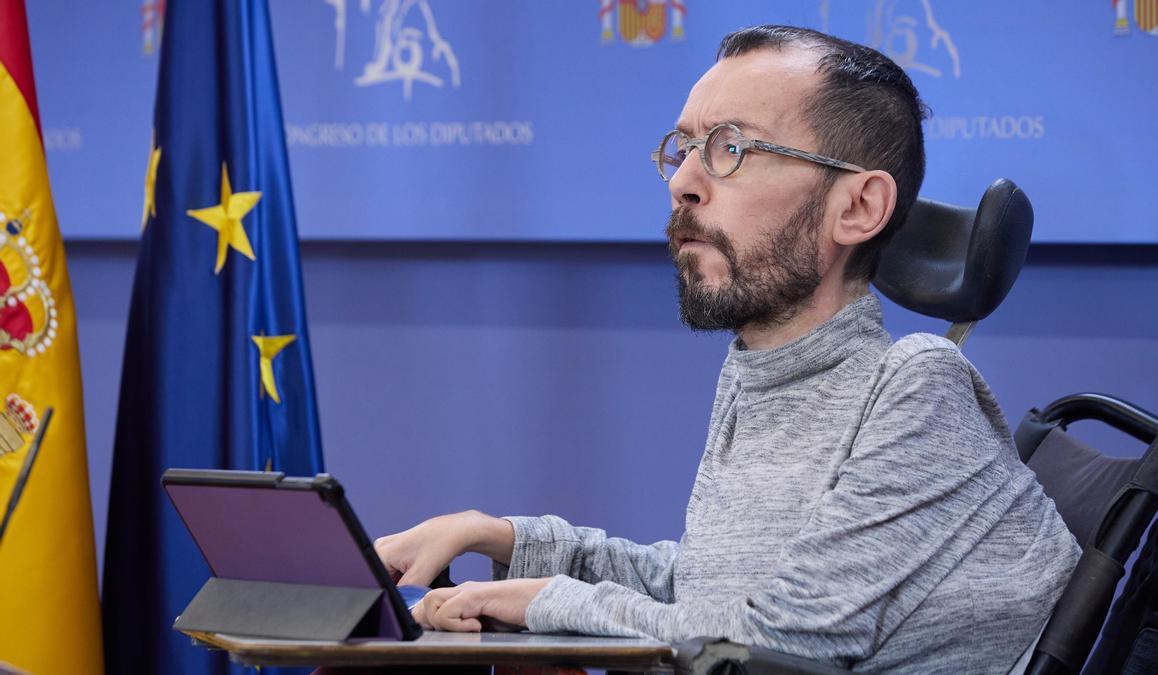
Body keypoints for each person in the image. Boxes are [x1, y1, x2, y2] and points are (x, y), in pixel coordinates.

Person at [374, 25, 1080, 671]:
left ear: (859, 208)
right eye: (683, 148)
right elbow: (707, 588)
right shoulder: (763, 368)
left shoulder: (918, 387)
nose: (683, 181)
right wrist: (500, 536)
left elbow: (768, 648)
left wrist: (546, 600)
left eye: (732, 148)